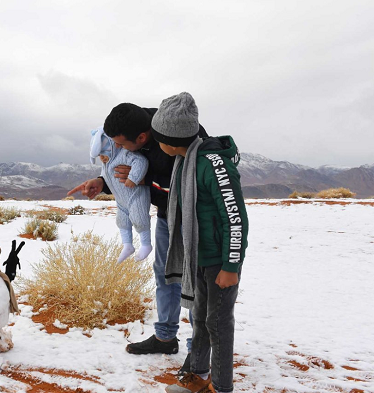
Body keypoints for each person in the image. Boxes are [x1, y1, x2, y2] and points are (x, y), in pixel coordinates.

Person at [68, 103, 208, 362]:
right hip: (167, 215)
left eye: (121, 144)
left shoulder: (174, 134)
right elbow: (122, 165)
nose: (117, 148)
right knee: (165, 274)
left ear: (142, 138)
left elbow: (190, 184)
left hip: (194, 217)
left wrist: (145, 180)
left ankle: (199, 350)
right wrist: (103, 182)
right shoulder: (133, 124)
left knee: (196, 281)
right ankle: (165, 337)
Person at [150, 92, 249, 393]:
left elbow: (235, 218)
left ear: (170, 138)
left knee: (218, 325)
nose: (157, 144)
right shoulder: (186, 160)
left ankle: (220, 388)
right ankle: (197, 375)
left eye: (158, 138)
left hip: (219, 262)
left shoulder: (211, 165)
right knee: (201, 320)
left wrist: (231, 265)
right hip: (200, 259)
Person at [89, 126, 153, 263]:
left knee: (139, 218)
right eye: (99, 155)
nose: (102, 158)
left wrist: (133, 178)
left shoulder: (124, 154)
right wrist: (99, 181)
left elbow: (141, 162)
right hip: (121, 199)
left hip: (135, 195)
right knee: (122, 221)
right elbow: (105, 175)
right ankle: (127, 245)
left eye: (104, 153)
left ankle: (146, 244)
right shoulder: (106, 163)